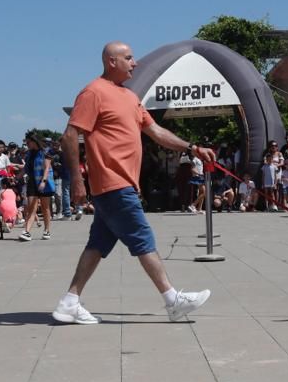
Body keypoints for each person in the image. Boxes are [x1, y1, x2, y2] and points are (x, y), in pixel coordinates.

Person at [51, 41, 214, 324]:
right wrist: (77, 180)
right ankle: (172, 299)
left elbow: (156, 131)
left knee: (98, 244)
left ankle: (70, 301)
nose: (134, 63)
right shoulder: (93, 92)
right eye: (128, 58)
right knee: (143, 239)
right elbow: (69, 136)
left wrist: (191, 148)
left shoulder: (129, 96)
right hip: (113, 183)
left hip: (121, 184)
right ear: (111, 61)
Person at [20, 135, 54, 241]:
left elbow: (47, 168)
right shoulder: (29, 154)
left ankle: (47, 230)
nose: (27, 145)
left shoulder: (45, 152)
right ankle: (27, 232)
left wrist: (43, 181)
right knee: (31, 207)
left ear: (34, 142)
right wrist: (17, 177)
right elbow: (26, 168)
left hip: (44, 183)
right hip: (32, 183)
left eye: (28, 143)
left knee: (45, 208)